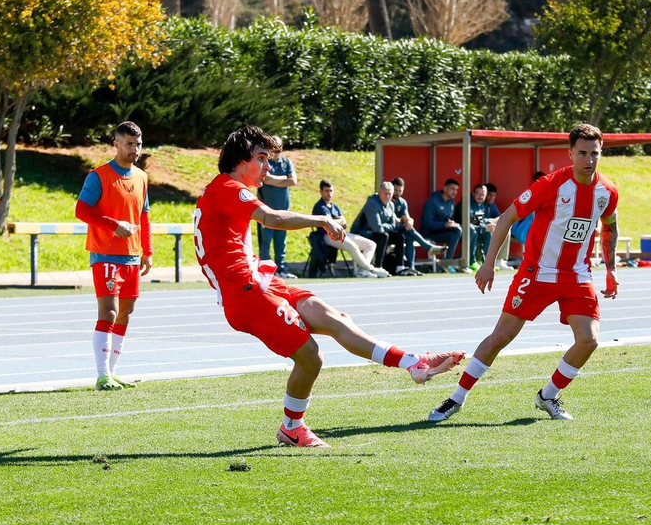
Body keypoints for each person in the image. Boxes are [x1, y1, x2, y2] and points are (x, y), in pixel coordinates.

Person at [195, 126, 463, 448]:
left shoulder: (224, 189)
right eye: (262, 158)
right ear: (240, 160)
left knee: (335, 317)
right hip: (246, 293)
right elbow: (272, 219)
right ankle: (292, 427)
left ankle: (413, 362)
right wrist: (321, 220)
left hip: (261, 281)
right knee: (311, 356)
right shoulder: (227, 186)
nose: (268, 167)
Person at [430, 125, 620, 424]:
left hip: (577, 276)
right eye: (582, 153)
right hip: (537, 274)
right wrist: (488, 263)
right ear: (570, 154)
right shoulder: (551, 184)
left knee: (589, 340)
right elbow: (507, 218)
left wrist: (610, 270)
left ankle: (547, 396)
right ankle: (456, 399)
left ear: (601, 153)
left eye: (594, 153)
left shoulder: (607, 191)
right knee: (501, 337)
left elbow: (610, 225)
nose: (588, 159)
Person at [74, 121, 152, 390]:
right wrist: (112, 225)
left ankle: (114, 371)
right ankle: (102, 374)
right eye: (129, 144)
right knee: (109, 311)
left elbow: (144, 216)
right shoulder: (99, 175)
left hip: (132, 256)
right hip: (105, 254)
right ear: (116, 144)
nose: (135, 150)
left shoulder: (141, 178)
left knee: (126, 314)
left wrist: (147, 251)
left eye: (138, 144)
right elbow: (82, 210)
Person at [313, 180, 388, 278]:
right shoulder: (320, 206)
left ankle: (362, 271)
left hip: (341, 233)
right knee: (352, 246)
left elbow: (344, 223)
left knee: (371, 244)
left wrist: (333, 221)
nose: (329, 193)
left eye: (331, 191)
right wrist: (336, 221)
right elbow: (328, 224)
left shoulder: (335, 207)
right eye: (326, 191)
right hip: (327, 236)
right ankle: (370, 268)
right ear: (321, 192)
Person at [255, 141, 297, 278]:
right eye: (273, 147)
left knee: (281, 241)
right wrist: (284, 178)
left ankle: (281, 269)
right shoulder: (265, 162)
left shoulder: (286, 162)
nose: (276, 150)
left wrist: (276, 180)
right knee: (265, 242)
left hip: (283, 210)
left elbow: (293, 181)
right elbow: (266, 179)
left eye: (279, 147)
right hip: (265, 211)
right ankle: (266, 271)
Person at [391, 177, 444, 274]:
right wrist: (402, 221)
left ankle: (411, 267)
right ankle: (428, 247)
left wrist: (410, 221)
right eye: (395, 190)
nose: (397, 193)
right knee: (408, 229)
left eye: (400, 191)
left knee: (410, 236)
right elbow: (394, 220)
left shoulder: (402, 202)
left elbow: (407, 217)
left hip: (400, 231)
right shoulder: (387, 199)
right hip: (389, 229)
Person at [353, 180, 403, 273]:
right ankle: (378, 266)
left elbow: (392, 225)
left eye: (390, 194)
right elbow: (377, 228)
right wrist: (385, 226)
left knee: (399, 236)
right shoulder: (372, 203)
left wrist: (384, 225)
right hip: (363, 233)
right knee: (383, 236)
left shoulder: (391, 204)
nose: (387, 196)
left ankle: (400, 267)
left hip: (378, 232)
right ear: (379, 193)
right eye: (385, 193)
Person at [421, 178, 465, 268]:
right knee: (457, 231)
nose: (455, 192)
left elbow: (449, 219)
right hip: (430, 233)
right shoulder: (432, 202)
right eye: (452, 189)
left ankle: (464, 261)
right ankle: (448, 262)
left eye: (456, 190)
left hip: (443, 231)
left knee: (469, 231)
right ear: (445, 189)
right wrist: (445, 225)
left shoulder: (451, 202)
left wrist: (452, 223)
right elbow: (427, 224)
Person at [463, 183, 499, 269]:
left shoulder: (482, 205)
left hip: (477, 229)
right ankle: (471, 261)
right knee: (472, 230)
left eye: (483, 194)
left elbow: (481, 221)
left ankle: (487, 262)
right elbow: (468, 222)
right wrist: (484, 227)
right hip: (462, 230)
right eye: (478, 194)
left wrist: (487, 224)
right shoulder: (467, 204)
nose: (480, 196)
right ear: (473, 193)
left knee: (489, 231)